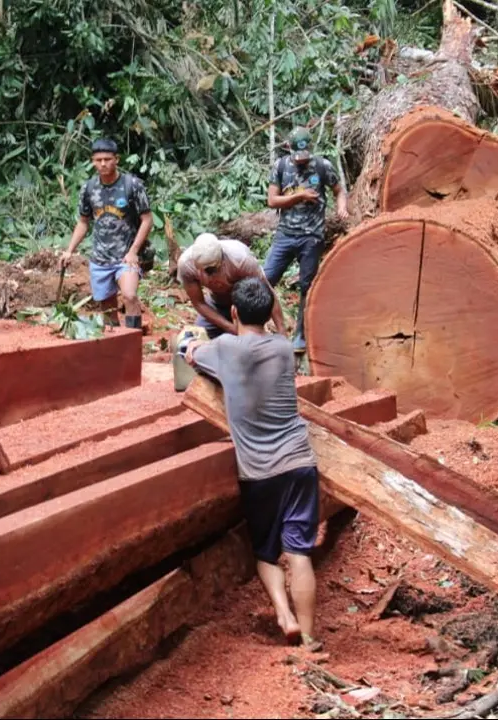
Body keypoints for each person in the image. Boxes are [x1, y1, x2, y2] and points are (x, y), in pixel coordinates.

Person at [184, 276, 321, 650]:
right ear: (269, 312)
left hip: (259, 473)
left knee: (266, 554)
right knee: (299, 553)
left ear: (233, 312)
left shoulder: (225, 348)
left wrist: (190, 343)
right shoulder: (283, 348)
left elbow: (191, 353)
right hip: (299, 461)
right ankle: (310, 640)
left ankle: (284, 615)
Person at [263, 126, 349, 353]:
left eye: (304, 157)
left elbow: (339, 190)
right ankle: (258, 327)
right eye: (298, 157)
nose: (301, 161)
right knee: (264, 280)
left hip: (312, 237)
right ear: (288, 148)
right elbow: (272, 201)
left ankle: (301, 336)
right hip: (285, 235)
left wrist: (341, 208)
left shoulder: (322, 166)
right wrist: (299, 196)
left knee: (307, 287)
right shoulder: (281, 166)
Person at [61, 138, 153, 329]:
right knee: (107, 306)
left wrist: (134, 251)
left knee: (129, 295)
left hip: (126, 256)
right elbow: (83, 222)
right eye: (98, 160)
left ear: (116, 159)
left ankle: (133, 338)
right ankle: (115, 339)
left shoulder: (132, 185)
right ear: (93, 161)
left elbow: (147, 220)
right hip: (100, 259)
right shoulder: (89, 188)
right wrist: (69, 250)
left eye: (107, 159)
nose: (103, 164)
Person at [178, 233, 285, 340]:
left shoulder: (241, 259)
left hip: (245, 304)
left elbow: (267, 292)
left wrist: (281, 331)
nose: (205, 276)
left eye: (211, 270)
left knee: (254, 340)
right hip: (217, 303)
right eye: (201, 270)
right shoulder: (186, 265)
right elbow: (199, 303)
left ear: (221, 261)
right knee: (199, 337)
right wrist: (231, 328)